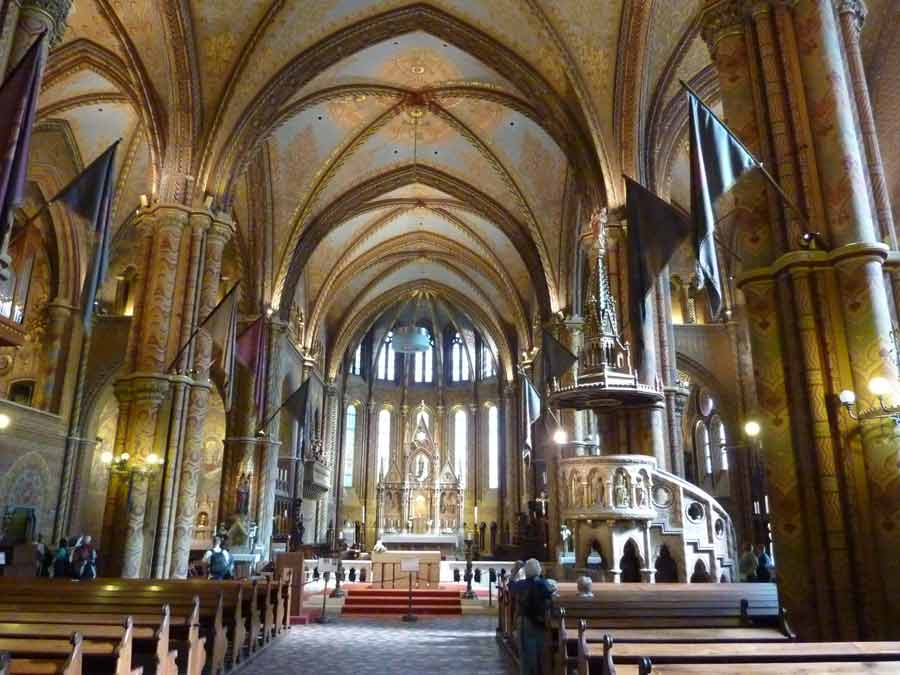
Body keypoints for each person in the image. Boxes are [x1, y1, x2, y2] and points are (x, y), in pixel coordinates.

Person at [510, 558, 554, 675]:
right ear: (539, 570)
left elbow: (511, 586)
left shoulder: (521, 584)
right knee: (540, 654)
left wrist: (514, 571)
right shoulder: (544, 584)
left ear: (526, 571)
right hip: (540, 622)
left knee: (525, 655)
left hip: (525, 621)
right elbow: (552, 593)